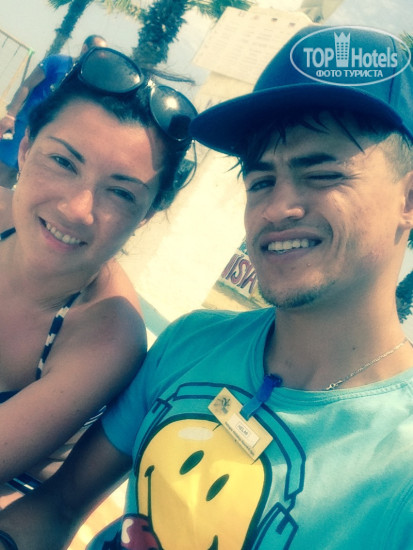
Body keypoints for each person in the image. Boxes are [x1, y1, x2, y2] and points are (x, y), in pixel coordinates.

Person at [0, 24, 412, 550]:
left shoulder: (399, 462)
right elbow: (59, 505)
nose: (277, 209)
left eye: (323, 174)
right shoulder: (192, 344)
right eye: (261, 181)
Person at [0, 46, 197, 510]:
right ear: (25, 149)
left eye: (121, 194)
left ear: (146, 216)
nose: (77, 210)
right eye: (63, 162)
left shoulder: (108, 335)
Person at [0, 34, 107, 189]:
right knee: (4, 167)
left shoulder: (86, 82)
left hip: (49, 136)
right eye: (95, 52)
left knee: (20, 176)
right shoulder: (57, 62)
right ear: (85, 48)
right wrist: (10, 115)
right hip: (23, 125)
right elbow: (27, 85)